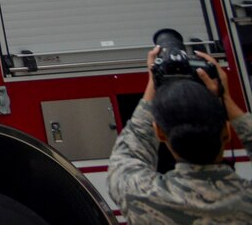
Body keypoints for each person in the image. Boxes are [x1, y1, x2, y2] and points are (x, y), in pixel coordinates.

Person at [107, 46, 252, 221]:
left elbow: (129, 151)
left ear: (160, 133)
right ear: (227, 132)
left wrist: (154, 81)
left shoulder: (138, 194)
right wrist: (225, 98)